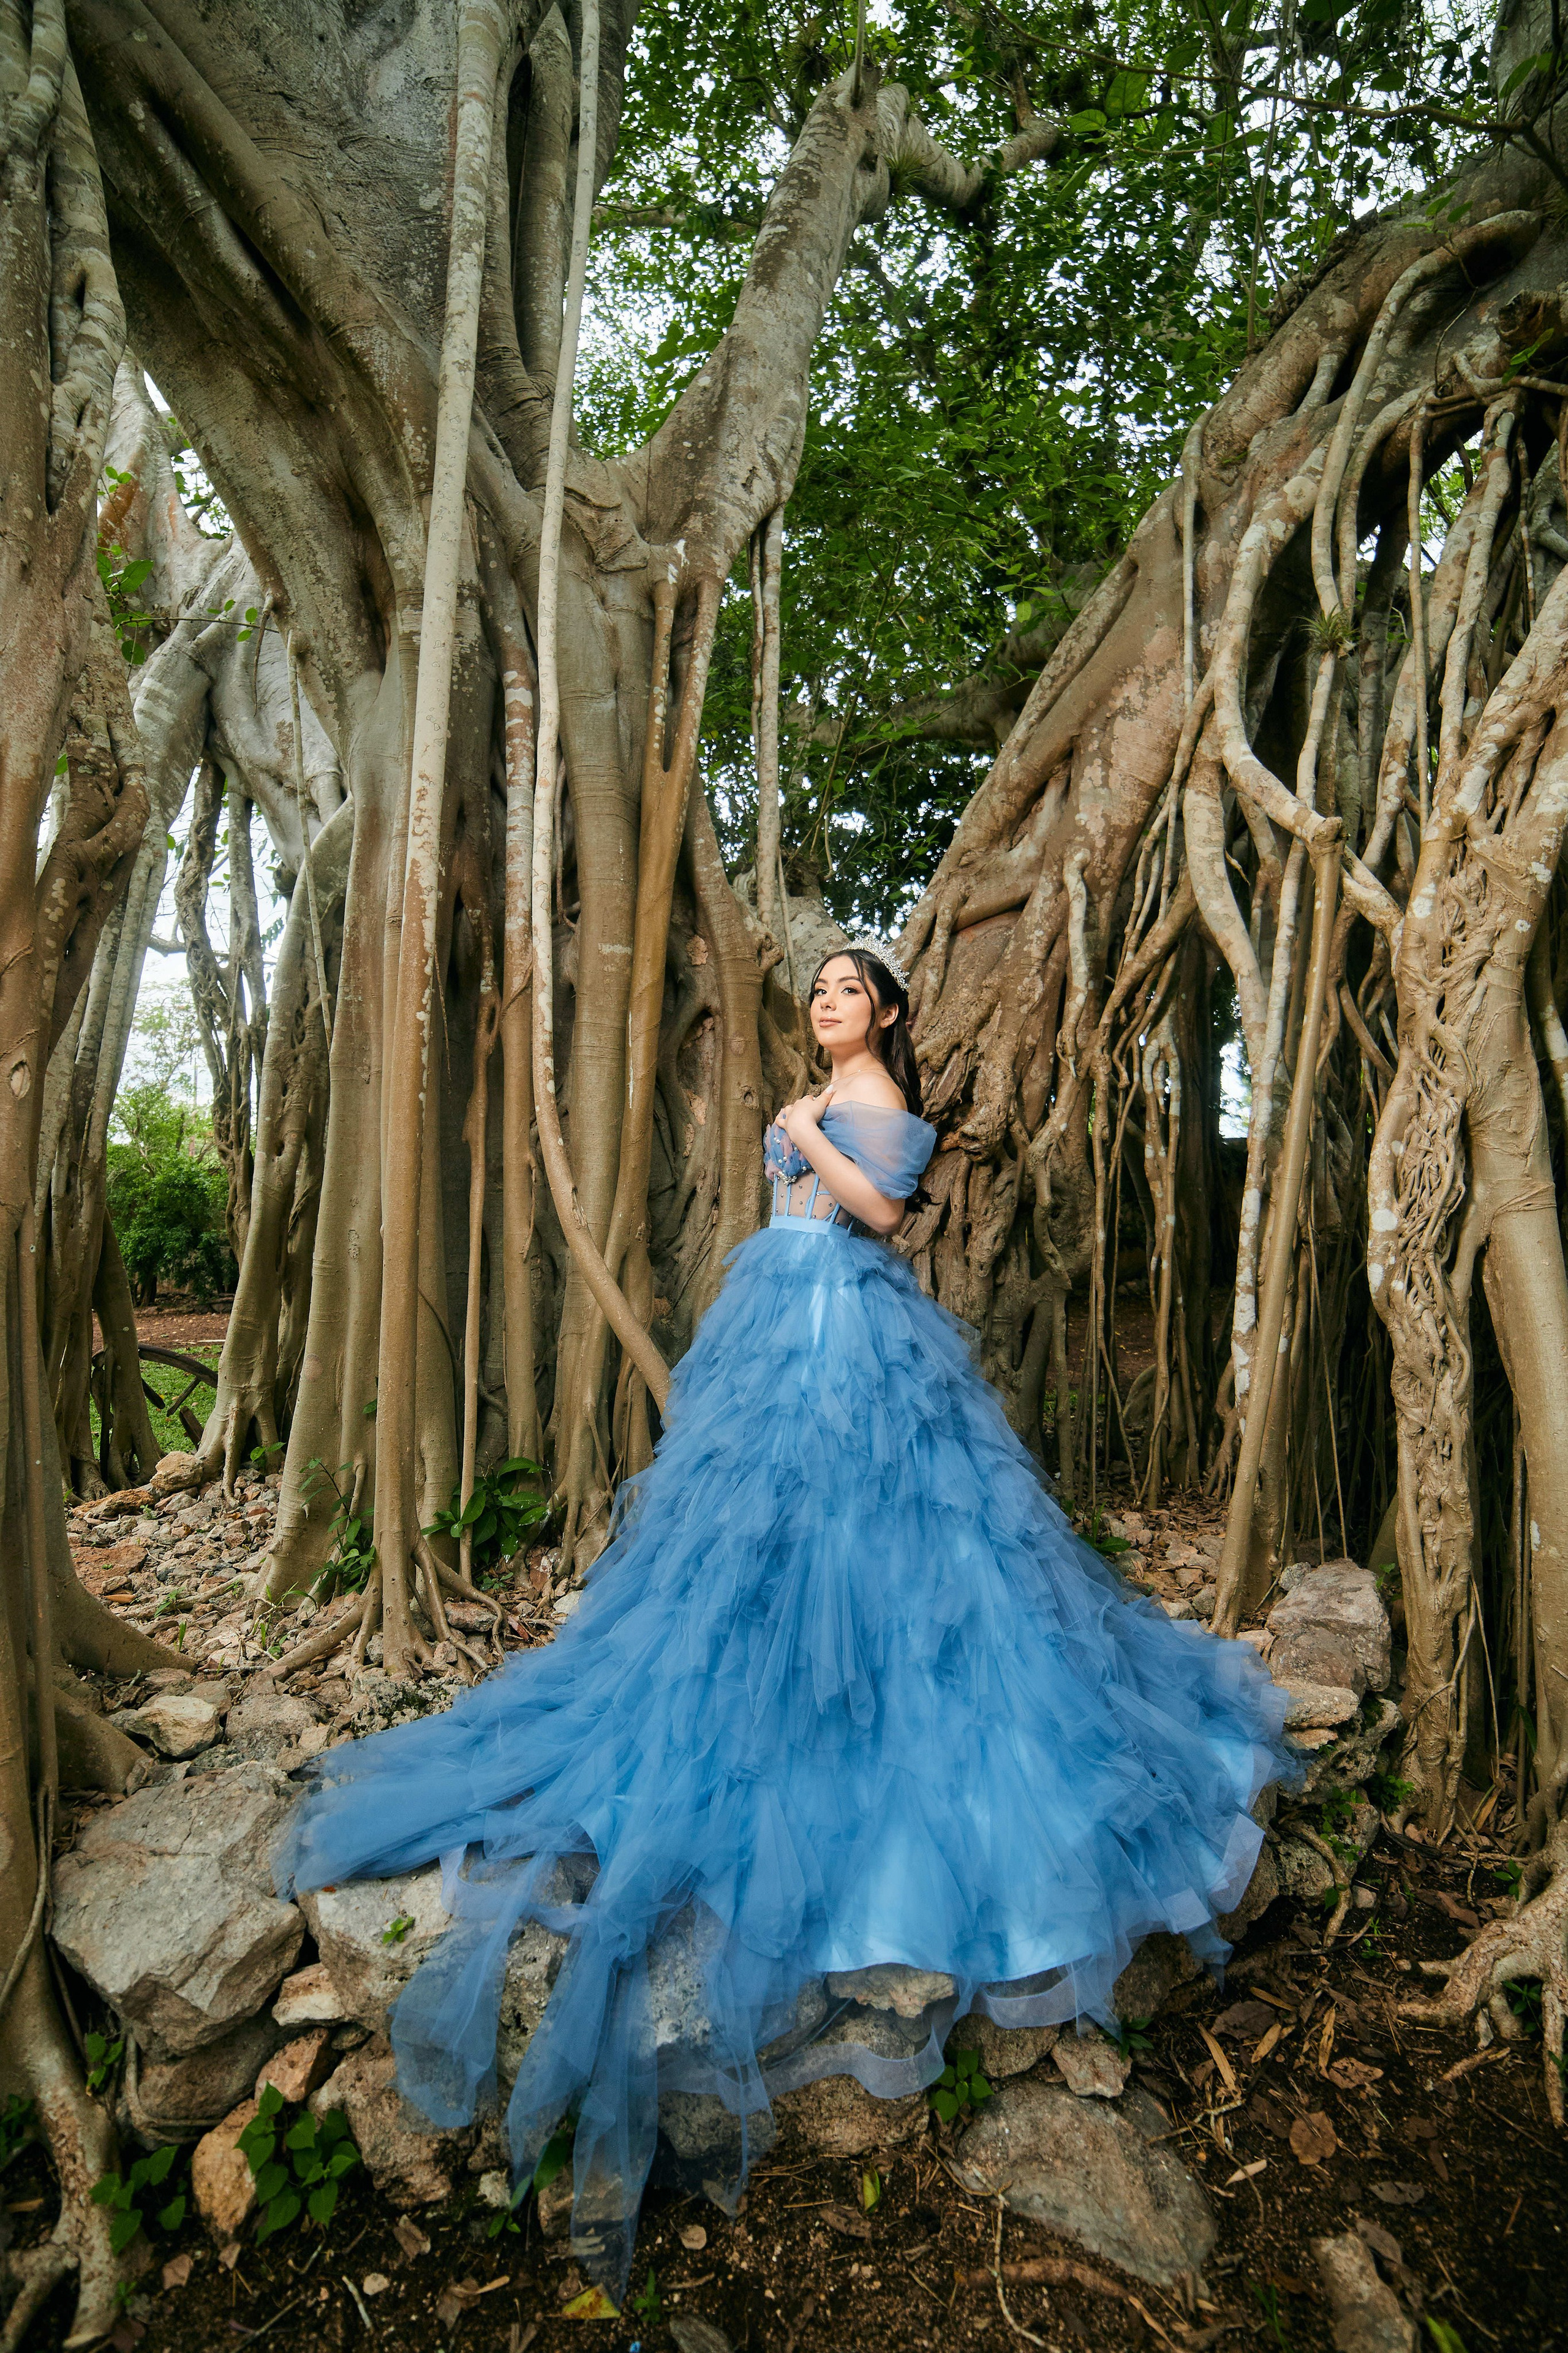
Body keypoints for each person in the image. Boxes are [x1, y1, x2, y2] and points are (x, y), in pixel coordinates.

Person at [276, 939, 1300, 2294]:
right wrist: (792, 1136)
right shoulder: (814, 1095)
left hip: (852, 1336)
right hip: (777, 1320)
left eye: (846, 989)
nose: (826, 1003)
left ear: (882, 1010)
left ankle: (871, 1757)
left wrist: (807, 1126)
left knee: (871, 1542)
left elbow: (879, 1214)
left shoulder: (868, 1098)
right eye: (815, 990)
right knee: (751, 1549)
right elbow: (792, 1212)